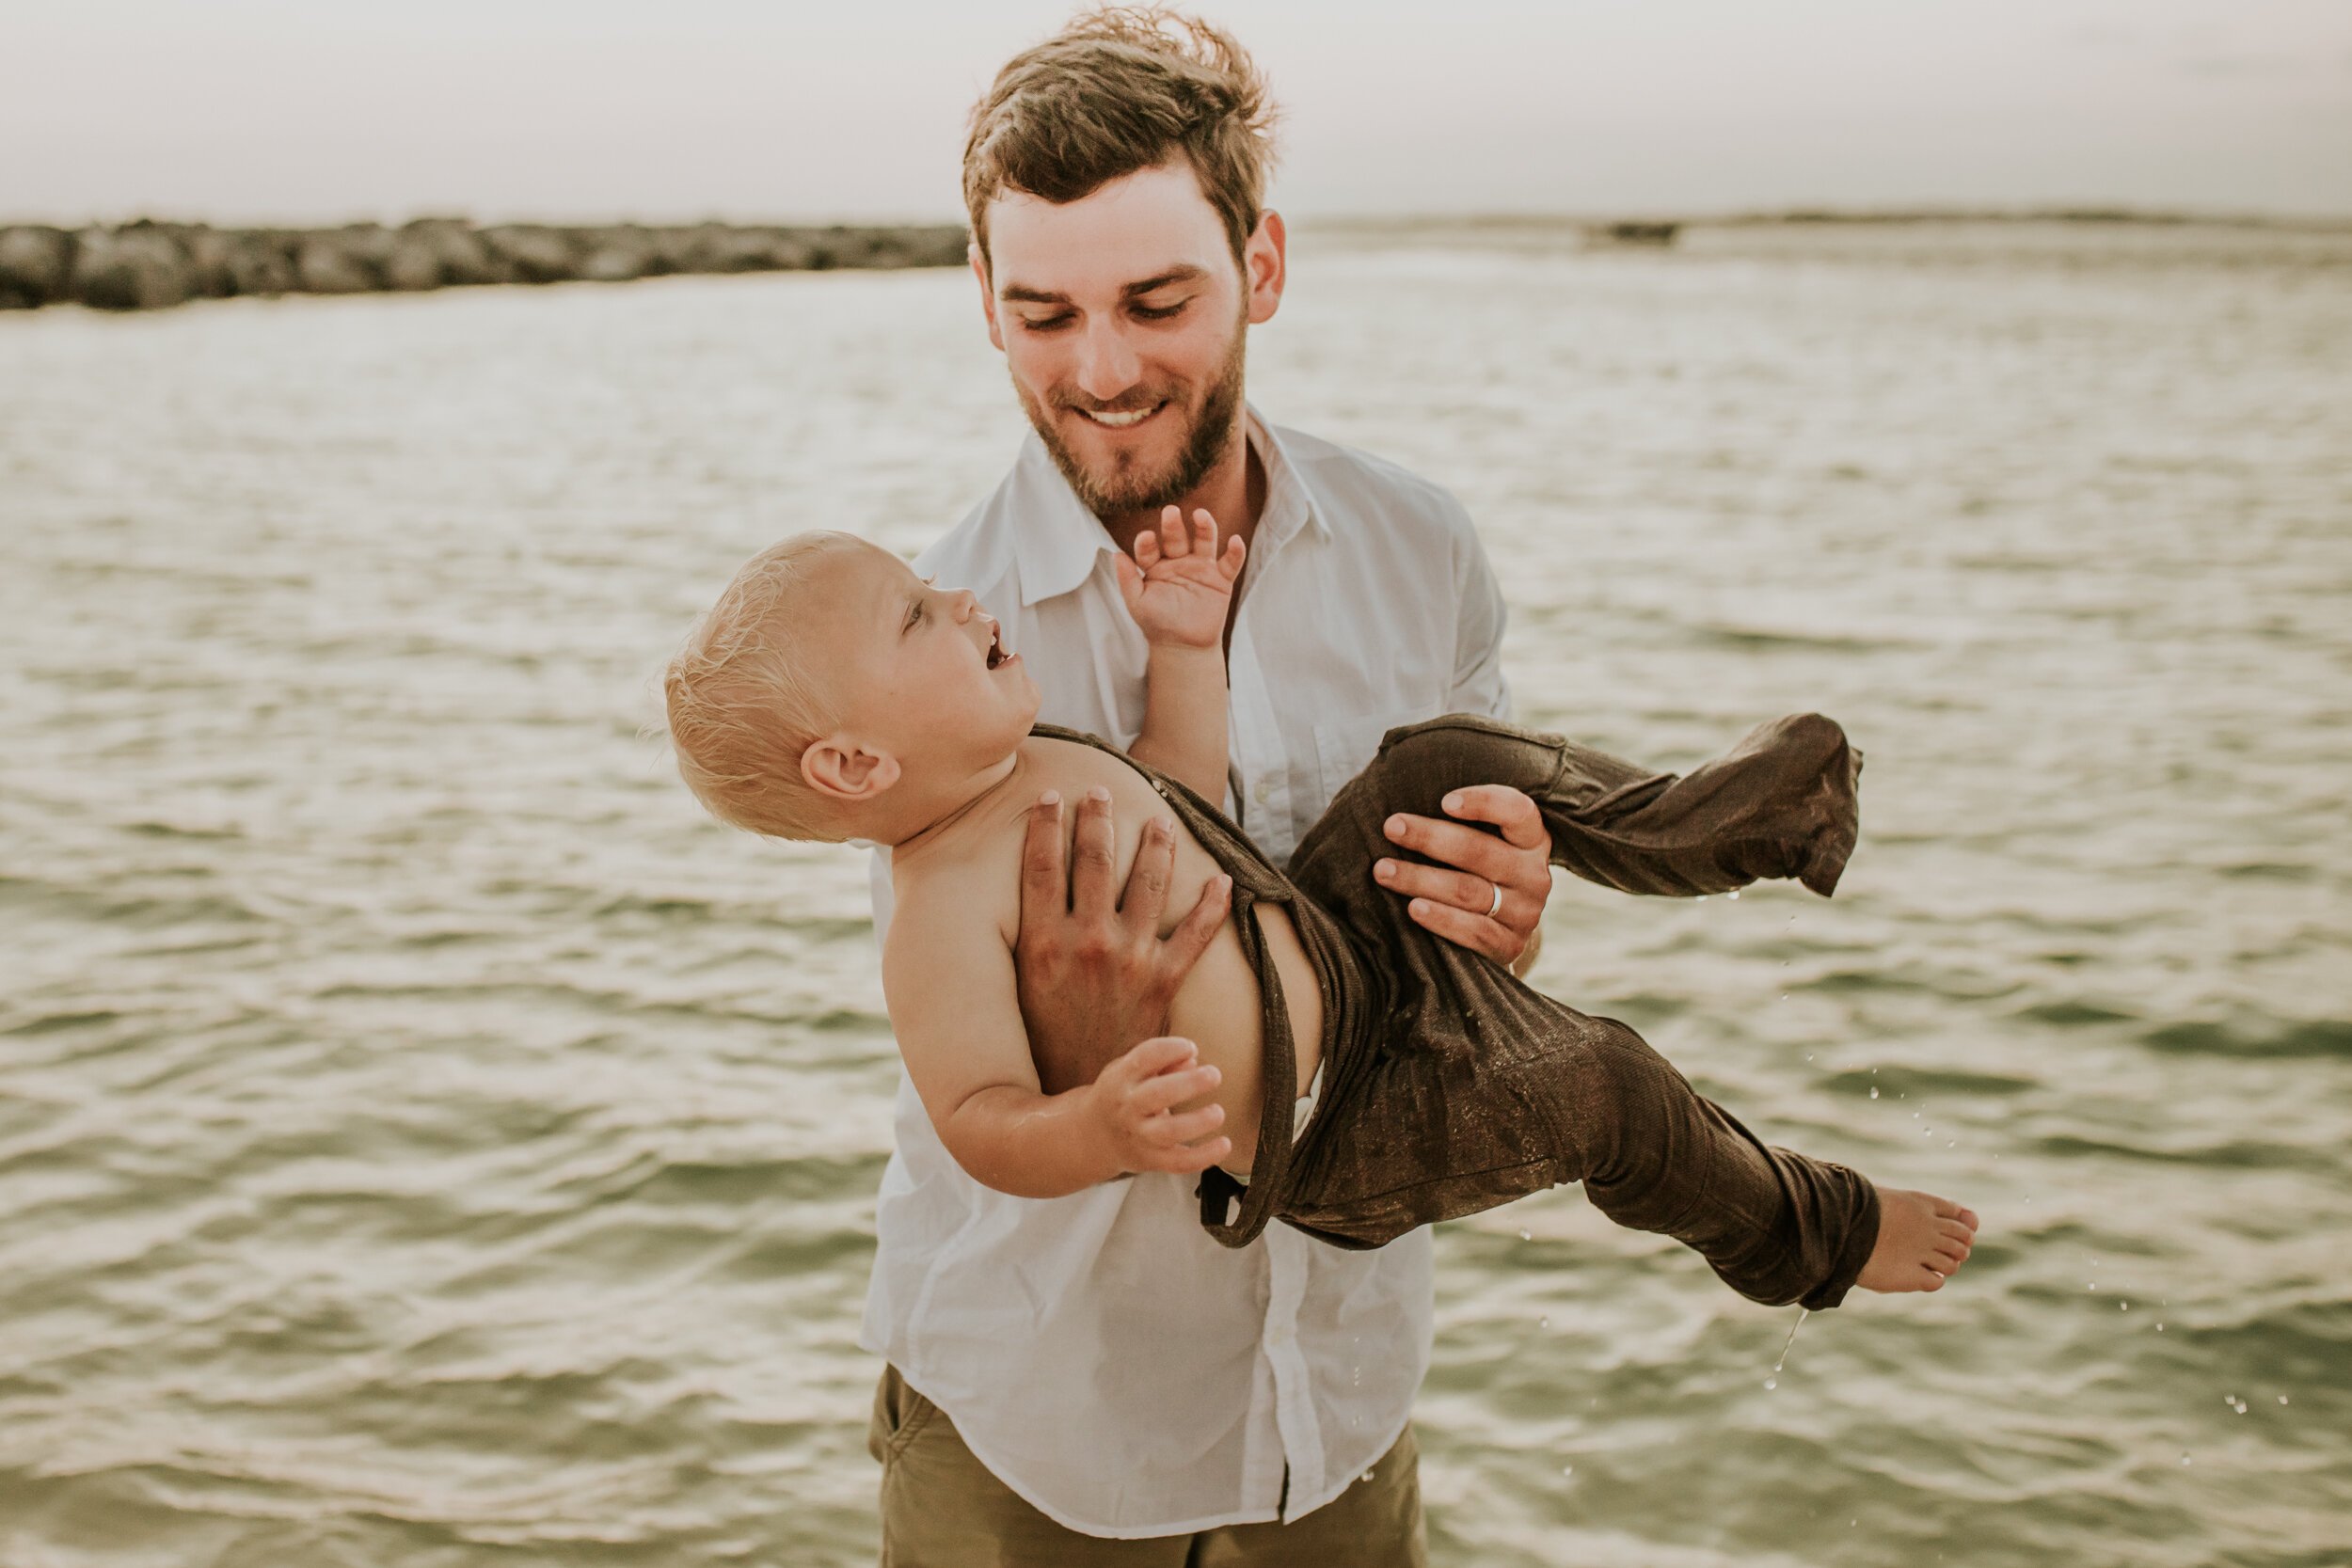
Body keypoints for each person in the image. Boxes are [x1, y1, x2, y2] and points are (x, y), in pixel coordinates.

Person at [832, 8, 1779, 1560]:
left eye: (1158, 300)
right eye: (1044, 312)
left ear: (1261, 266)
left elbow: (1449, 959)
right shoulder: (942, 635)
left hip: (1333, 1407)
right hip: (1034, 1417)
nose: (1105, 367)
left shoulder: (1420, 553)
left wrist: (1500, 917)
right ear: (986, 307)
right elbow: (979, 1061)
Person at [662, 523, 1978, 1313]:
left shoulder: (1040, 756)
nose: (957, 599)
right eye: (914, 617)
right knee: (1607, 1082)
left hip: (1347, 945)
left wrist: (1185, 647)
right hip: (1338, 1122)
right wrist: (1099, 1124)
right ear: (853, 766)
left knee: (1439, 756)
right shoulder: (936, 914)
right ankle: (1811, 1233)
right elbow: (981, 1121)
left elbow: (1187, 791)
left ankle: (1714, 823)